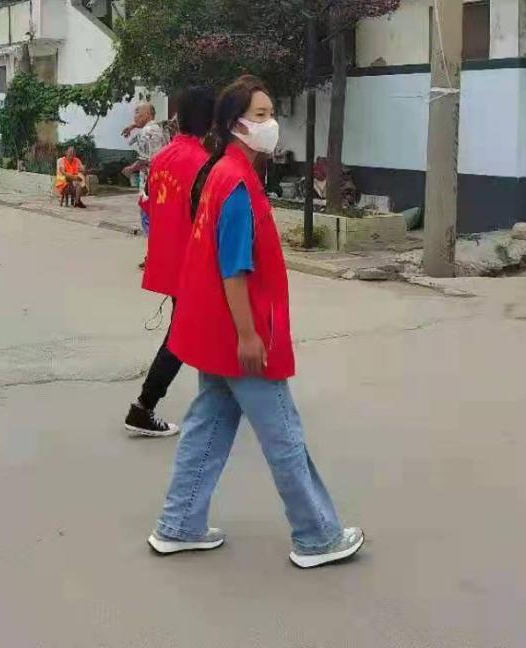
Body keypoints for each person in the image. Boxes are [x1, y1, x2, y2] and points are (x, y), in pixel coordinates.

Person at [148, 76, 364, 569]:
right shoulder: (237, 184)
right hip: (238, 335)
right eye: (261, 116)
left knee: (207, 425)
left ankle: (179, 524)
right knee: (283, 434)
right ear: (235, 125)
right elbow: (234, 268)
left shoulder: (221, 173)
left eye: (270, 114)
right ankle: (317, 535)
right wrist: (248, 335)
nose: (271, 124)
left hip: (212, 331)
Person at [125, 85, 216, 438]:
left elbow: (148, 204)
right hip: (197, 265)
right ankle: (143, 406)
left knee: (201, 331)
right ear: (210, 122)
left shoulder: (162, 158)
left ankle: (223, 403)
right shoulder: (204, 164)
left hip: (172, 261)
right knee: (183, 337)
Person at [122, 102, 169, 263]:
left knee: (147, 219)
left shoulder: (146, 132)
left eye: (137, 112)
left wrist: (130, 168)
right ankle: (156, 254)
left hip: (149, 184)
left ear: (147, 115)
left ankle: (155, 256)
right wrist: (133, 126)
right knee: (156, 219)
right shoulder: (159, 129)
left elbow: (145, 159)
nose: (134, 116)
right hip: (161, 182)